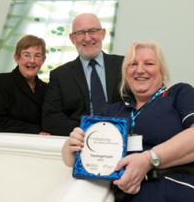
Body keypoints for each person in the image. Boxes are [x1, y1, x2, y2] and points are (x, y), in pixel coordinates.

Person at [62, 41, 194, 201]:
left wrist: (148, 159)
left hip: (175, 190)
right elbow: (77, 160)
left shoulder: (178, 94)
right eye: (133, 64)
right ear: (126, 73)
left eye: (149, 63)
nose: (139, 69)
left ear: (162, 71)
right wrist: (70, 148)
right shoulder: (111, 112)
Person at [42, 13, 124, 136]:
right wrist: (88, 131)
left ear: (103, 34)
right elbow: (51, 118)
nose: (87, 38)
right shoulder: (60, 75)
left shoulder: (124, 65)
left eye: (92, 31)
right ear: (72, 38)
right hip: (80, 141)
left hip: (121, 137)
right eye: (80, 33)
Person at [0, 35, 48, 134]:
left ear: (43, 60)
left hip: (41, 144)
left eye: (37, 56)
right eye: (26, 55)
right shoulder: (0, 82)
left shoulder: (47, 88)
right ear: (16, 58)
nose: (32, 61)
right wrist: (37, 131)